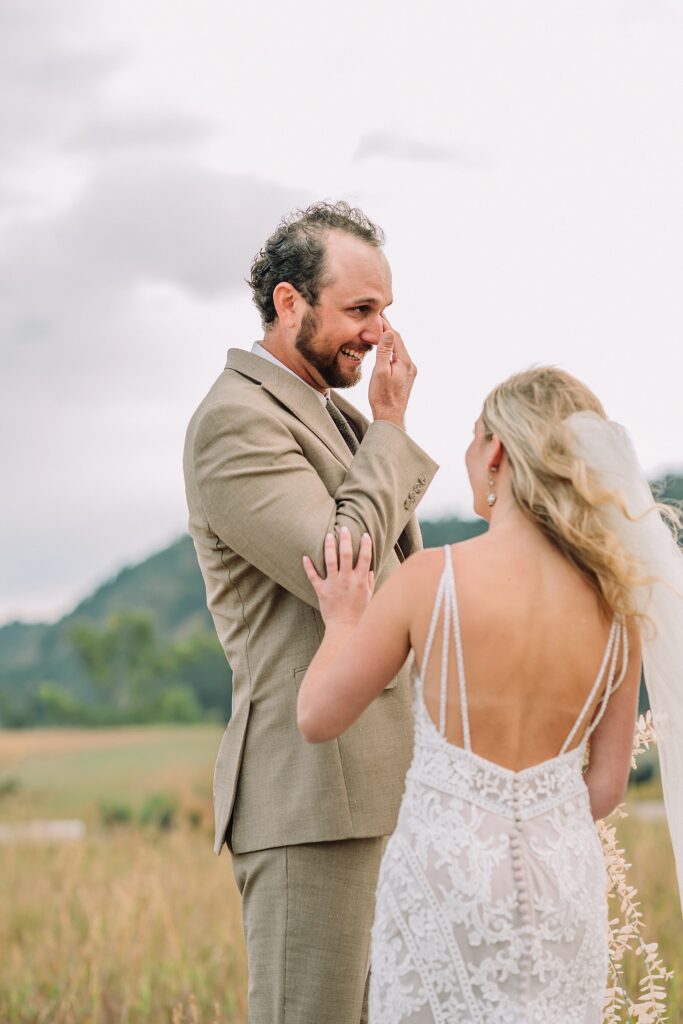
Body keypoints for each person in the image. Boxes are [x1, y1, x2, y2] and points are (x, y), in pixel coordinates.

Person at [298, 366, 683, 1023]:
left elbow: (317, 715)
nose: (471, 456)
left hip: (445, 878)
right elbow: (608, 785)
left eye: (474, 440)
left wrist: (341, 621)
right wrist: (537, 814)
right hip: (561, 880)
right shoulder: (618, 608)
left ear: (497, 452)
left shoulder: (430, 578)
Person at [183, 201, 438, 1023]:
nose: (379, 332)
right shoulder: (235, 420)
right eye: (360, 310)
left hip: (386, 787)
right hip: (311, 802)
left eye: (385, 310)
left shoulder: (333, 413)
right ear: (290, 303)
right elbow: (343, 568)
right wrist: (392, 431)